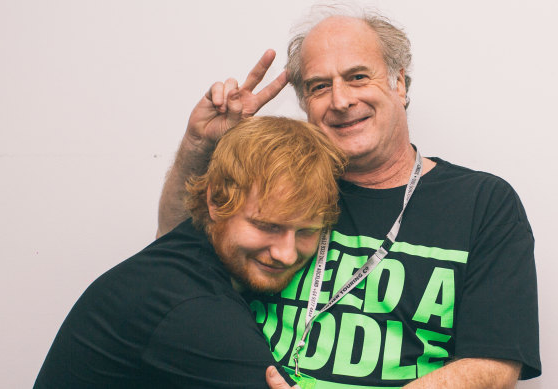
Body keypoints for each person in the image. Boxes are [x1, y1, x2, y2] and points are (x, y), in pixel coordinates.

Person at [156, 4, 541, 388]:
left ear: (399, 84)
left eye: (358, 77)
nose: (340, 101)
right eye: (319, 86)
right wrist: (199, 145)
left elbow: (494, 367)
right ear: (305, 103)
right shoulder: (275, 181)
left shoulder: (483, 202)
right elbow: (174, 259)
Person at [33, 116, 347, 389]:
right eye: (268, 226)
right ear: (216, 201)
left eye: (306, 231)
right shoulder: (194, 310)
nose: (286, 254)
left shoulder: (185, 251)